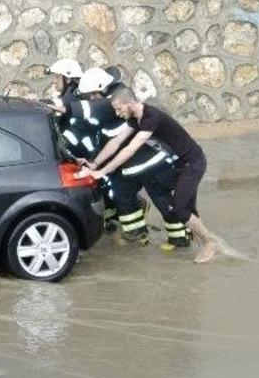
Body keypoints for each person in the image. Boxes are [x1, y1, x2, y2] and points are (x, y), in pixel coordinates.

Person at [76, 88, 218, 263]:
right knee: (188, 210)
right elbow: (116, 142)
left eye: (119, 109)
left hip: (193, 163)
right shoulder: (136, 118)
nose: (117, 113)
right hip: (179, 164)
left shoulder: (151, 117)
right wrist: (95, 163)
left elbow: (129, 150)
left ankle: (209, 242)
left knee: (179, 208)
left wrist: (101, 172)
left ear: (130, 103)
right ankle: (205, 245)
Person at [57, 70, 180, 246]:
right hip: (130, 164)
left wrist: (61, 106)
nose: (91, 99)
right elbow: (103, 138)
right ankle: (136, 235)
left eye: (91, 95)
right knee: (121, 192)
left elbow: (94, 111)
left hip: (150, 163)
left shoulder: (114, 104)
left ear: (101, 90)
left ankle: (180, 238)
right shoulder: (111, 104)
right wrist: (93, 162)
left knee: (162, 199)